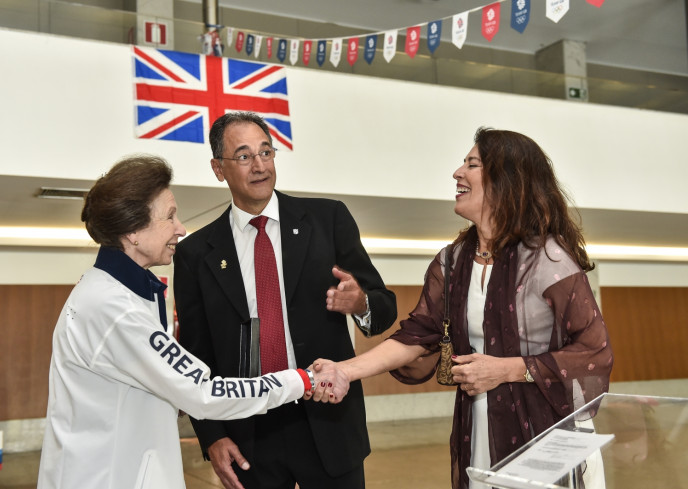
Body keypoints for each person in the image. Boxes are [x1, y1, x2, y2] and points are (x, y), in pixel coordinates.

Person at [312, 127, 614, 489]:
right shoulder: (452, 262)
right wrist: (344, 370)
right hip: (480, 431)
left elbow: (594, 352)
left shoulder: (549, 261)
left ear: (507, 179)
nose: (458, 172)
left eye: (472, 164)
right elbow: (417, 336)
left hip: (546, 434)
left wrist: (509, 369)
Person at [37, 155, 317, 489]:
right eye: (169, 216)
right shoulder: (114, 310)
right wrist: (302, 379)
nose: (181, 228)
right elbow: (205, 392)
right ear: (133, 232)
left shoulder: (123, 294)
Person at [173, 111, 397, 489]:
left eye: (266, 152)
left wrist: (361, 304)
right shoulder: (196, 253)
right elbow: (196, 355)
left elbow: (384, 308)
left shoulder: (328, 219)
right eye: (244, 157)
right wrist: (212, 435)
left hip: (328, 421)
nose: (260, 166)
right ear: (218, 169)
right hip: (249, 434)